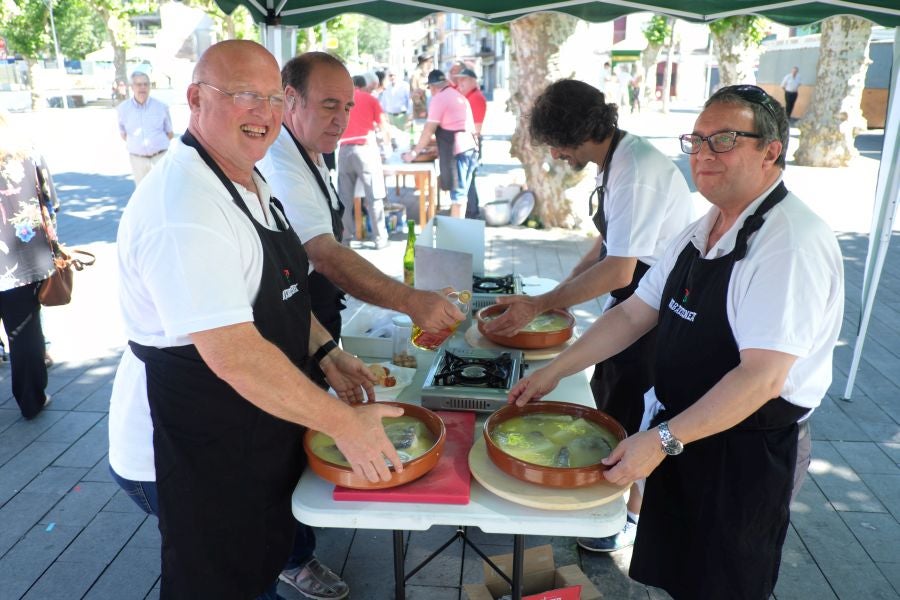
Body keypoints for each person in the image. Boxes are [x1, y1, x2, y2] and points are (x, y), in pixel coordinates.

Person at [509, 84, 844, 600]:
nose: (704, 156)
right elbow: (634, 314)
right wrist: (554, 372)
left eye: (724, 140)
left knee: (723, 584)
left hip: (745, 451)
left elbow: (761, 377)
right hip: (688, 434)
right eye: (698, 140)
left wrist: (661, 439)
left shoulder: (790, 243)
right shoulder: (700, 228)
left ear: (771, 151)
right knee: (680, 576)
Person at [110, 40, 407, 600]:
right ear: (196, 98)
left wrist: (327, 353)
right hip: (186, 452)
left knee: (259, 566)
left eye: (273, 97)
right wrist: (345, 424)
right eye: (245, 94)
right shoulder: (185, 208)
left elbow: (283, 293)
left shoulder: (247, 178)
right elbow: (235, 354)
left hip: (243, 435)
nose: (264, 112)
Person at [482, 78, 693, 552]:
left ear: (577, 133)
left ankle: (624, 518)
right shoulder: (615, 158)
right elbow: (607, 244)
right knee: (610, 396)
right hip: (637, 297)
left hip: (656, 309)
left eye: (556, 145)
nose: (555, 155)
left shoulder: (634, 169)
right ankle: (610, 505)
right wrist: (556, 295)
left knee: (632, 412)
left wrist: (541, 305)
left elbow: (618, 271)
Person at [259, 51, 462, 346]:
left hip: (317, 327)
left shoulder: (310, 148)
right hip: (292, 336)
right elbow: (324, 254)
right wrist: (410, 300)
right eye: (329, 106)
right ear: (290, 98)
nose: (341, 121)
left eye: (347, 108)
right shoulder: (279, 164)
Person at [0, 111, 57, 420]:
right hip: (21, 258)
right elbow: (50, 199)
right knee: (24, 332)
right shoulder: (28, 151)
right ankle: (31, 399)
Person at [402, 69, 477, 219]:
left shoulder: (439, 98)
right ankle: (458, 228)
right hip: (471, 148)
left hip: (458, 150)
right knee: (462, 194)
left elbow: (428, 130)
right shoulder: (457, 96)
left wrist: (414, 153)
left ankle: (456, 233)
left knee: (458, 196)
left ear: (434, 87)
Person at [337, 74, 392, 248]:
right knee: (373, 196)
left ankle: (345, 239)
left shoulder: (341, 101)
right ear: (363, 85)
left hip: (344, 149)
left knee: (344, 199)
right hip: (365, 149)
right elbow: (383, 124)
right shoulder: (370, 99)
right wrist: (387, 145)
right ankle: (379, 238)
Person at [116, 71, 174, 185]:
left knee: (164, 190)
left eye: (146, 84)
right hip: (138, 160)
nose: (143, 87)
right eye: (138, 84)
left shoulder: (161, 107)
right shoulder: (123, 109)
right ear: (132, 87)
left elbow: (170, 133)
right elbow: (123, 134)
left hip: (160, 158)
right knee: (142, 195)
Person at [453, 67, 487, 219]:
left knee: (469, 178)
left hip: (471, 142)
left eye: (463, 79)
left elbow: (477, 127)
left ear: (473, 81)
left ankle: (472, 211)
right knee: (468, 178)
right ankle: (471, 210)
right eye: (459, 79)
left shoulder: (476, 98)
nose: (460, 83)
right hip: (468, 142)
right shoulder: (468, 96)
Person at [380, 68, 412, 133]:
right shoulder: (387, 87)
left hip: (402, 116)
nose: (392, 77)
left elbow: (410, 101)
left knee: (403, 137)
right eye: (390, 75)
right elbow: (383, 102)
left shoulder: (405, 86)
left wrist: (409, 115)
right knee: (392, 138)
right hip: (390, 117)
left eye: (394, 75)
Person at [409, 54, 432, 120]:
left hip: (430, 109)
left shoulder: (428, 74)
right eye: (429, 62)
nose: (430, 64)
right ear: (424, 63)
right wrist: (422, 109)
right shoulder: (416, 75)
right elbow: (415, 94)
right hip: (422, 111)